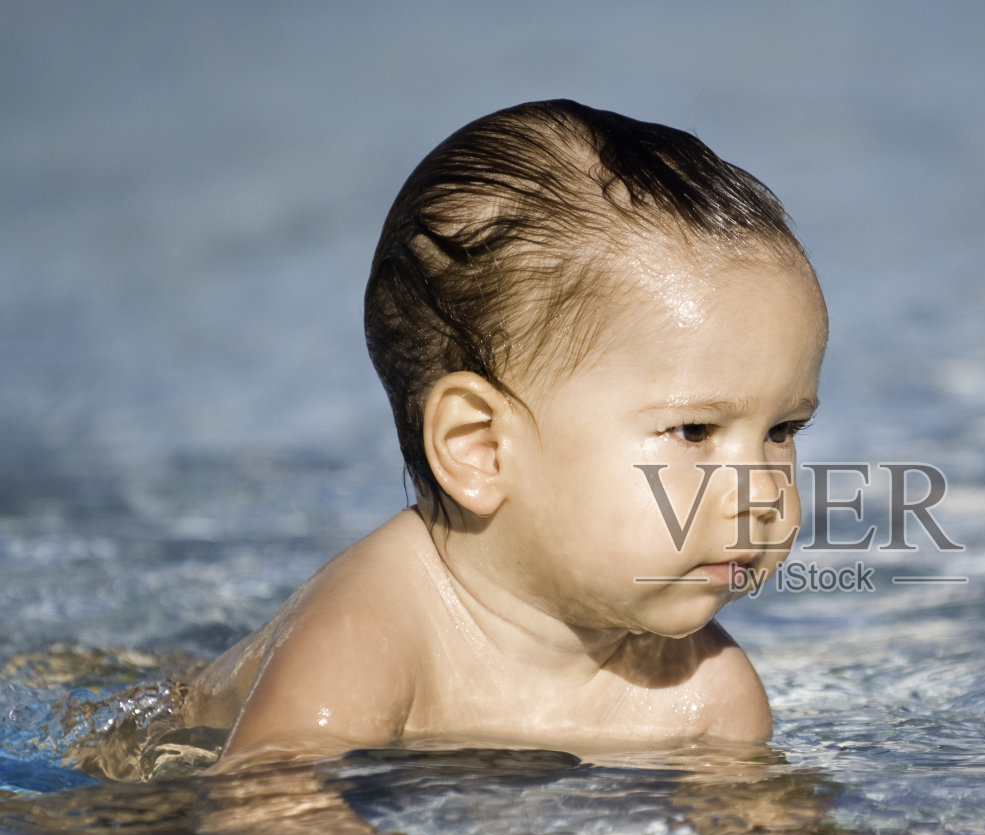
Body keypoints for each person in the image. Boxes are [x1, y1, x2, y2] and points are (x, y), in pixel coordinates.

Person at [188, 100, 828, 773]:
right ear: (480, 447)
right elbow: (260, 806)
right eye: (695, 430)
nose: (759, 489)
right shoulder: (370, 630)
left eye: (783, 429)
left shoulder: (709, 697)